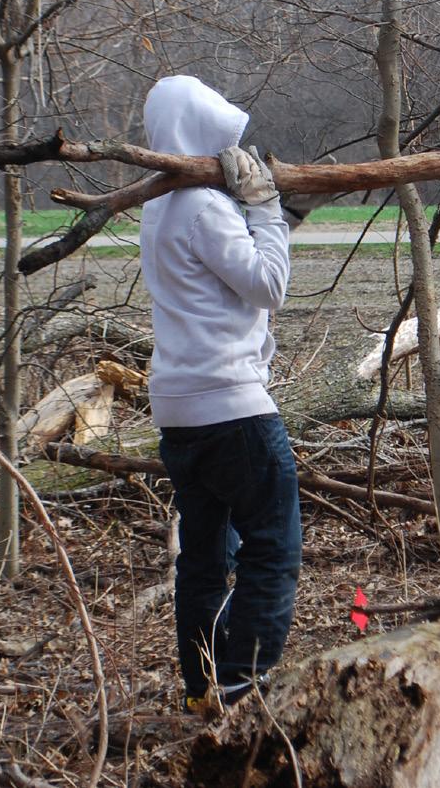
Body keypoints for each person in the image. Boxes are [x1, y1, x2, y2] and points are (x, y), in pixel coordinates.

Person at [139, 75, 301, 712]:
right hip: (232, 406)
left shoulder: (159, 207)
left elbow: (226, 275)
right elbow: (269, 285)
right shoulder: (204, 208)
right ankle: (243, 689)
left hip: (179, 413)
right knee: (274, 546)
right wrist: (265, 209)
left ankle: (203, 690)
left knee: (204, 559)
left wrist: (263, 212)